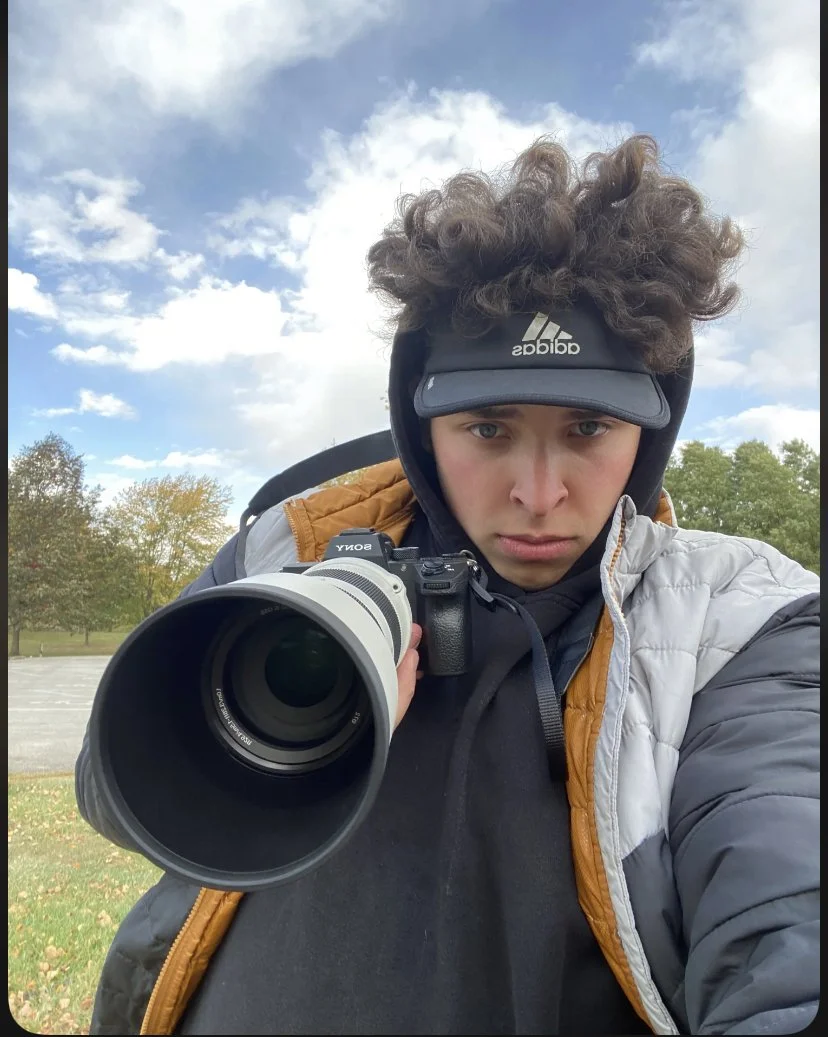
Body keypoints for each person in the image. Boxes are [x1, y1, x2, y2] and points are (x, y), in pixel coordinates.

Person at [76, 134, 819, 1036]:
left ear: (652, 429)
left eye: (588, 428)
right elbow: (110, 795)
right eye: (488, 428)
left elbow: (783, 882)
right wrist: (303, 705)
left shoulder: (735, 618)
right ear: (419, 421)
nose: (538, 494)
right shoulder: (284, 545)